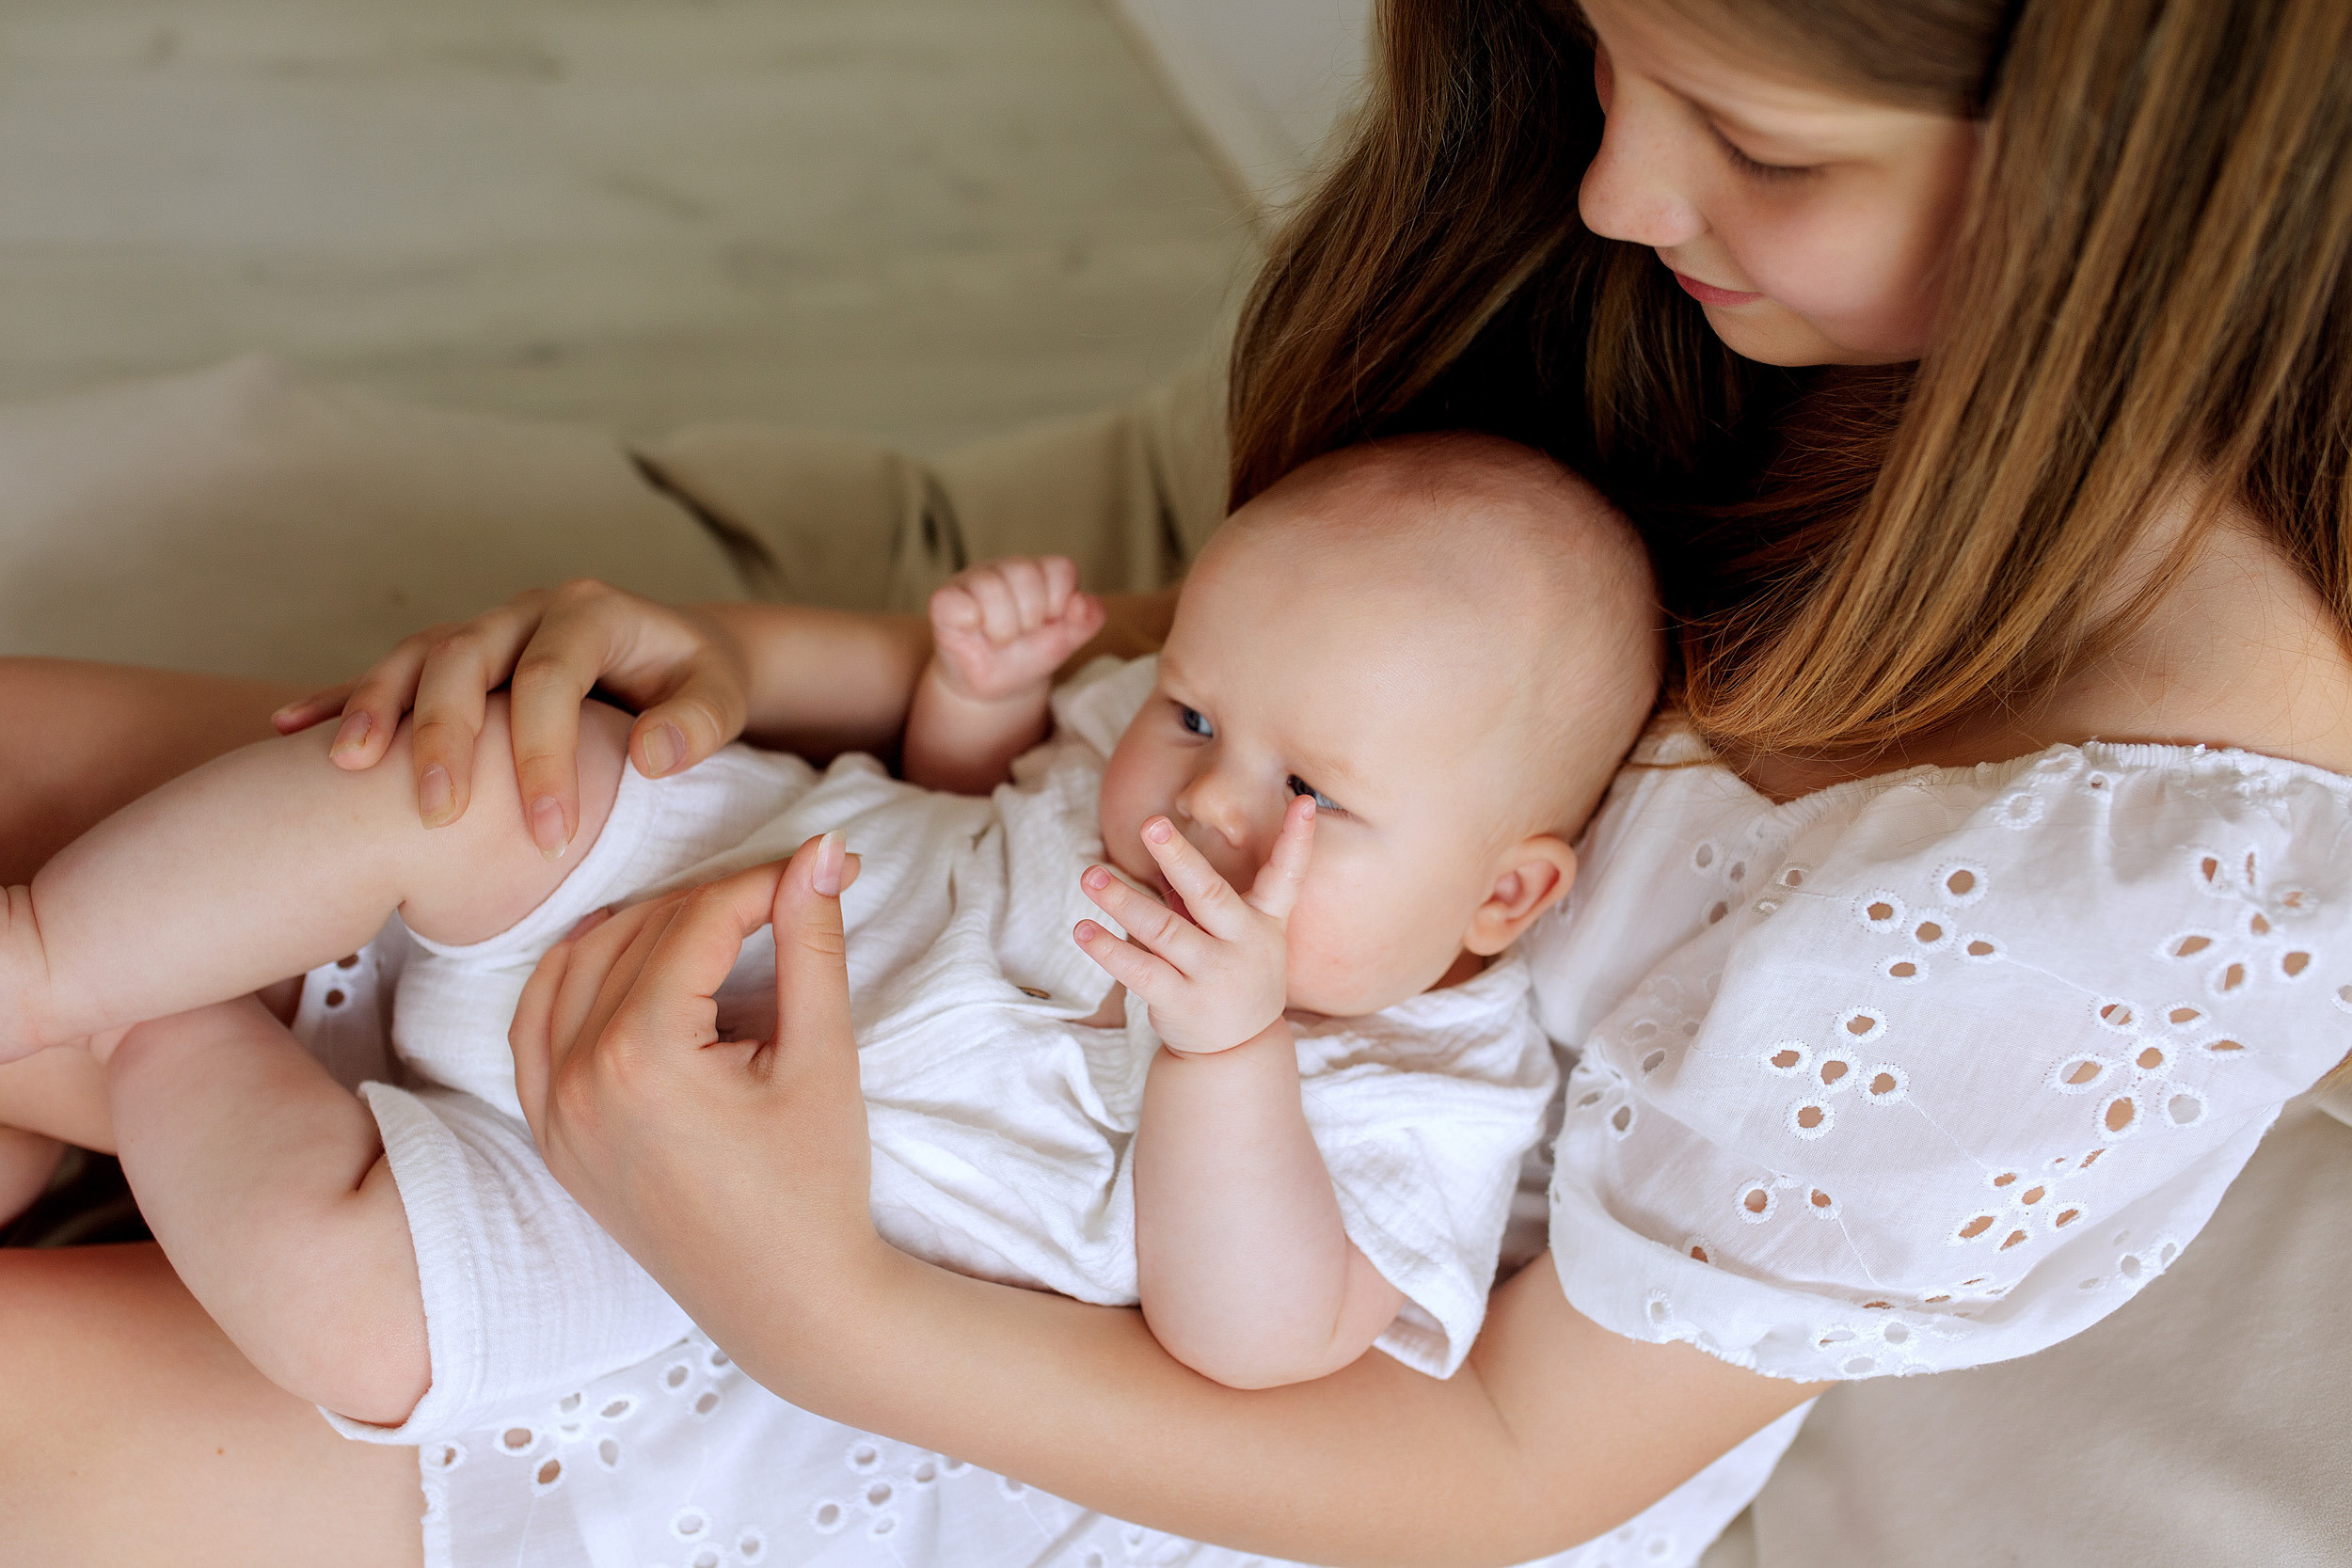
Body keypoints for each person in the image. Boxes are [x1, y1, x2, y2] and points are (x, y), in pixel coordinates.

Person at [3, 0, 2349, 1563]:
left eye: (1752, 138)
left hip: (1013, 1358)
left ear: (2138, 165)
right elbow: (1218, 672)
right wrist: (764, 656)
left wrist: (816, 1301)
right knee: (91, 793)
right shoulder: (1770, 307)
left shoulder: (2118, 891)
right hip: (907, 959)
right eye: (1593, 53)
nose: (1615, 190)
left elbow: (1485, 1466)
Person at [0, 438, 1655, 1429]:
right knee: (487, 774)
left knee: (362, 1327)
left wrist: (1225, 1054)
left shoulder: (1429, 1089)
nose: (1205, 800)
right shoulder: (1128, 777)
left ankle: (155, 1030)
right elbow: (964, 815)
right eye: (1195, 711)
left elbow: (1256, 1337)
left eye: (1313, 792)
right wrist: (979, 698)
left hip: (657, 1226)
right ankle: (45, 965)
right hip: (674, 879)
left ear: (1500, 897)